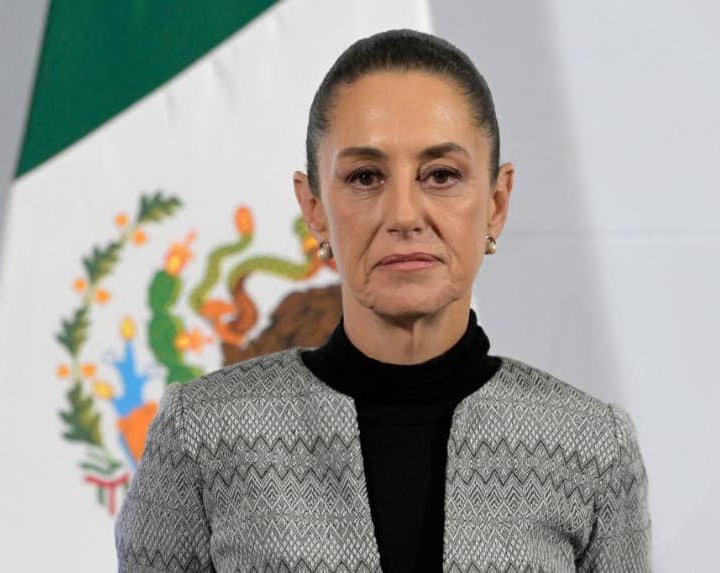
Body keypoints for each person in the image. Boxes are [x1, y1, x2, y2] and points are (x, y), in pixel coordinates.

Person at [115, 29, 651, 572]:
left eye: (441, 175)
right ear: (314, 208)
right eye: (365, 177)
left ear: (496, 202)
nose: (403, 215)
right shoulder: (202, 435)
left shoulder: (591, 448)